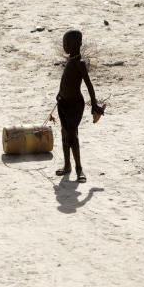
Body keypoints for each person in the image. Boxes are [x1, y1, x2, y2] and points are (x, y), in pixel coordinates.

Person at [55, 30, 103, 183]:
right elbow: (66, 81)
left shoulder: (79, 63)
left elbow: (89, 84)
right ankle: (67, 166)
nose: (64, 46)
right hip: (62, 103)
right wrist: (59, 94)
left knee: (72, 136)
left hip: (75, 105)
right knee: (64, 135)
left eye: (67, 43)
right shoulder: (70, 61)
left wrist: (94, 104)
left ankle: (79, 169)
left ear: (77, 43)